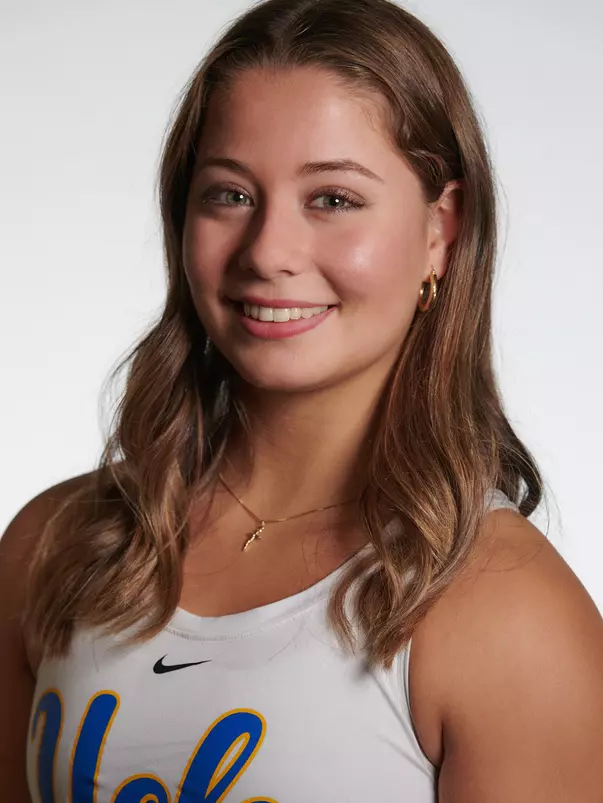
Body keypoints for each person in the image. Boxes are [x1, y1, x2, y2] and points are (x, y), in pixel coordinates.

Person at [2, 0, 602, 799]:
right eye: (229, 195)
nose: (269, 252)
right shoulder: (54, 544)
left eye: (332, 199)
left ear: (439, 230)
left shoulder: (509, 615)